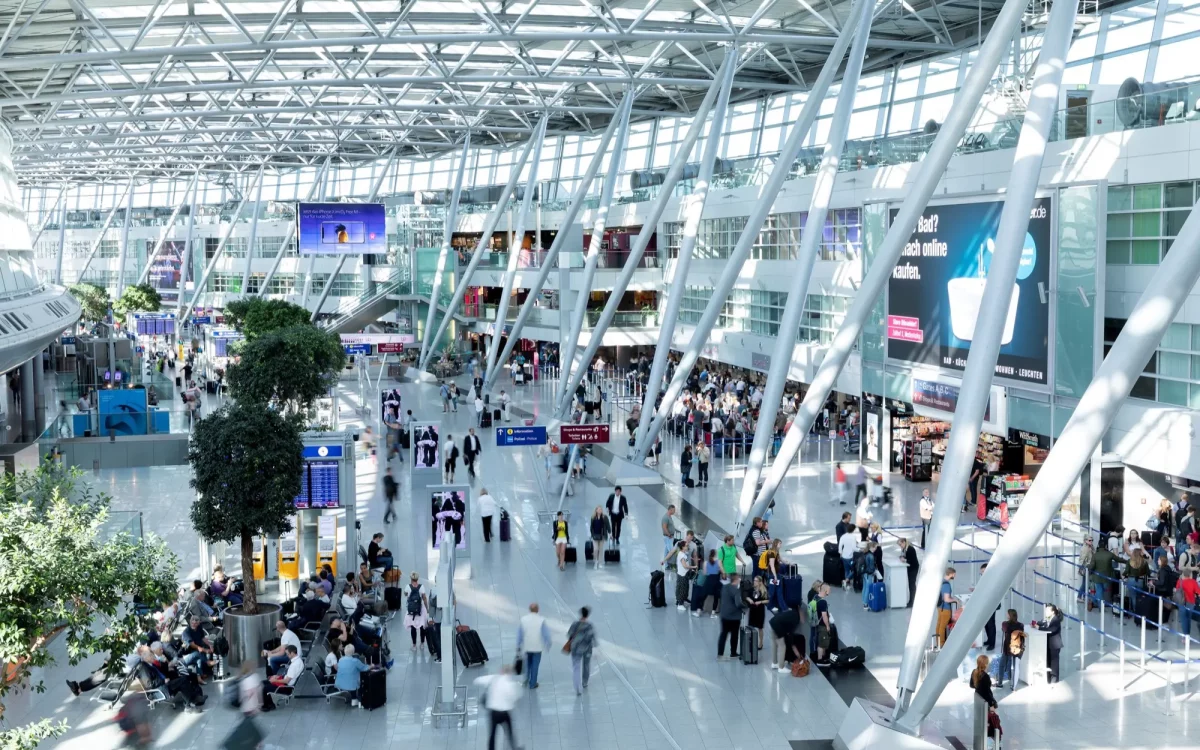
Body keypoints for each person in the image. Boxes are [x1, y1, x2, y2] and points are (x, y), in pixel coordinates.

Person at [475, 666, 524, 750]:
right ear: (510, 673)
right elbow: (517, 696)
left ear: (501, 671)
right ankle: (514, 747)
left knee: (492, 734)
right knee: (510, 731)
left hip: (493, 713)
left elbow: (477, 680)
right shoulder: (510, 684)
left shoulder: (493, 678)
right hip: (505, 713)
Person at [517, 603, 551, 689]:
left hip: (527, 646)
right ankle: (533, 683)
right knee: (535, 665)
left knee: (527, 664)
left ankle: (526, 680)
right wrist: (548, 644)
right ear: (537, 610)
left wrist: (518, 644)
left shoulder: (523, 619)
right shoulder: (541, 620)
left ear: (529, 609)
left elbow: (520, 634)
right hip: (537, 647)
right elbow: (546, 634)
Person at [565, 607, 596, 695]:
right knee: (586, 665)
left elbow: (569, 635)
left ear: (581, 613)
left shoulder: (575, 624)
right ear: (588, 615)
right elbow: (592, 638)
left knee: (576, 667)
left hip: (575, 648)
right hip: (587, 649)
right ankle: (584, 682)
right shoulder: (590, 626)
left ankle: (577, 687)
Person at [262, 645, 303, 710]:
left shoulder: (294, 665)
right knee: (263, 683)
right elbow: (288, 676)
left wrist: (274, 680)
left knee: (264, 687)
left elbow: (287, 681)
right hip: (285, 681)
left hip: (286, 687)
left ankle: (268, 706)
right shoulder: (299, 661)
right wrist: (277, 677)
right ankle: (269, 704)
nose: (287, 655)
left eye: (287, 654)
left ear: (292, 653)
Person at [1032, 604, 1064, 684]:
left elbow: (1051, 629)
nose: (1046, 612)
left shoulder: (1056, 620)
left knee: (1054, 662)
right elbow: (1042, 623)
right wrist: (1036, 624)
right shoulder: (1048, 618)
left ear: (1053, 612)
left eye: (1047, 610)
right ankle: (1048, 678)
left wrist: (1039, 628)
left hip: (1055, 644)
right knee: (1048, 661)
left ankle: (1054, 679)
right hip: (1048, 644)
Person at [768, 606, 806, 673]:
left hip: (772, 623)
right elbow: (789, 636)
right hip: (777, 626)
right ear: (800, 613)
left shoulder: (792, 613)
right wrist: (796, 651)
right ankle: (781, 667)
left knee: (774, 643)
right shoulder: (796, 619)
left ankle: (774, 663)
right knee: (782, 645)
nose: (804, 619)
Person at [717, 574, 745, 660]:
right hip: (734, 617)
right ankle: (733, 653)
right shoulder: (736, 590)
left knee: (723, 634)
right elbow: (738, 603)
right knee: (734, 635)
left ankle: (720, 654)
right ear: (736, 580)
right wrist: (745, 607)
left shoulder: (725, 587)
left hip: (724, 615)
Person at [403, 572, 430, 652]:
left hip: (411, 611)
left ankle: (414, 645)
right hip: (420, 610)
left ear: (411, 579)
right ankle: (422, 644)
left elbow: (405, 594)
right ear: (417, 579)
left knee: (413, 627)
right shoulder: (421, 587)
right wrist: (427, 608)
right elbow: (424, 598)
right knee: (422, 627)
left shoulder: (408, 587)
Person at [998, 609, 1024, 688]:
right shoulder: (1021, 625)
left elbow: (1003, 630)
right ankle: (1014, 686)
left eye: (1007, 614)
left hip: (1008, 648)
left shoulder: (1005, 624)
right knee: (1015, 667)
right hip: (1017, 647)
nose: (1006, 615)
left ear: (1010, 615)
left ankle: (1000, 683)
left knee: (1002, 665)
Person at [936, 567, 960, 648]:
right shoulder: (947, 585)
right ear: (951, 574)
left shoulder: (941, 582)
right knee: (943, 627)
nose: (955, 576)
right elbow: (947, 599)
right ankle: (942, 644)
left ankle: (937, 642)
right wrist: (955, 600)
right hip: (945, 608)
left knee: (939, 625)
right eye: (954, 574)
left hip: (940, 607)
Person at [747, 576, 769, 649]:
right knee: (751, 627)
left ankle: (761, 643)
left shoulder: (763, 590)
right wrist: (749, 599)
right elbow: (746, 596)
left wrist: (760, 602)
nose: (754, 582)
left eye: (756, 581)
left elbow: (768, 600)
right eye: (754, 580)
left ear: (760, 582)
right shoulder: (751, 589)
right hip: (752, 610)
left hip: (760, 611)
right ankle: (751, 642)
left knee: (760, 627)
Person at [898, 537, 920, 608]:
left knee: (912, 584)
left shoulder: (911, 549)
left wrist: (905, 560)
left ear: (904, 542)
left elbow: (912, 560)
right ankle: (912, 600)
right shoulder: (905, 549)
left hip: (913, 568)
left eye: (900, 544)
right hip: (910, 568)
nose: (900, 546)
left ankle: (912, 601)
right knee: (911, 584)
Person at [1179, 569, 1200, 637]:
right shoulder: (1193, 582)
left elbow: (1177, 591)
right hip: (1191, 602)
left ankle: (1185, 636)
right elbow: (1198, 593)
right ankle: (1187, 635)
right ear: (1190, 575)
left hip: (1181, 602)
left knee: (1183, 619)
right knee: (1188, 619)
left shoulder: (1180, 581)